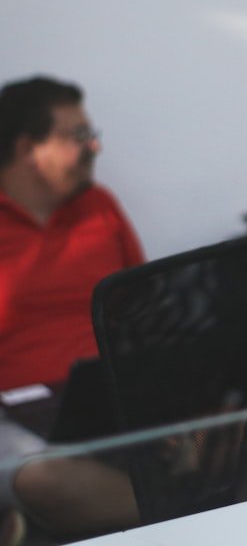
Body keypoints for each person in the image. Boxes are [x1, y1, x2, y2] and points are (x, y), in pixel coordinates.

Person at [0, 76, 144, 390]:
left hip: (116, 401)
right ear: (28, 149)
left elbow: (147, 307)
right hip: (15, 420)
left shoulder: (99, 205)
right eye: (80, 135)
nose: (95, 146)